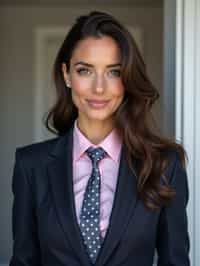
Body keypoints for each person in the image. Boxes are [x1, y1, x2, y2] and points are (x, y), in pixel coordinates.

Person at [9, 10, 190, 266]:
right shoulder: (31, 166)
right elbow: (24, 261)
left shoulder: (164, 165)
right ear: (66, 75)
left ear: (127, 79)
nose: (99, 88)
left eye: (114, 72)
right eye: (85, 71)